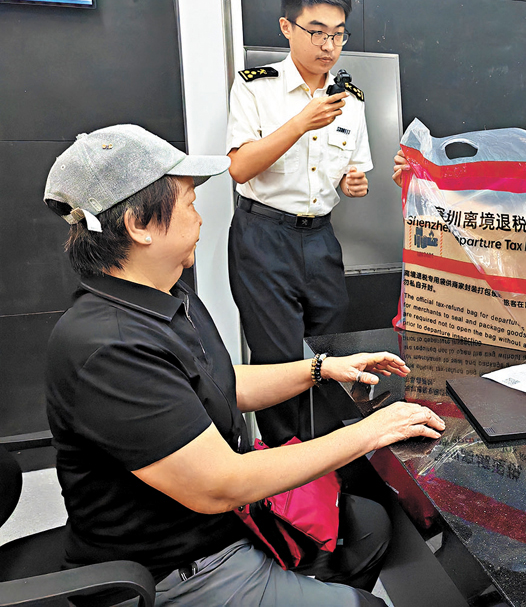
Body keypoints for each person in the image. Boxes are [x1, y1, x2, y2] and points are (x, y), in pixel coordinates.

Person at [43, 124, 445, 606]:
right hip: (181, 569)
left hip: (224, 527)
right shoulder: (110, 347)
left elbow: (219, 383)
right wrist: (373, 430)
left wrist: (320, 368)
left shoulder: (165, 297)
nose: (199, 218)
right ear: (139, 225)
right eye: (189, 203)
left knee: (370, 527)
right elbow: (222, 484)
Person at [226, 0, 370, 447]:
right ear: (287, 27)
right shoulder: (255, 87)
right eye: (316, 32)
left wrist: (354, 183)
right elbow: (241, 167)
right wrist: (301, 121)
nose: (328, 45)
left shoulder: (351, 101)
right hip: (263, 238)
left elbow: (355, 170)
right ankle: (283, 480)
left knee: (329, 350)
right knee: (280, 359)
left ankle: (325, 464)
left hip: (321, 238)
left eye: (338, 34)